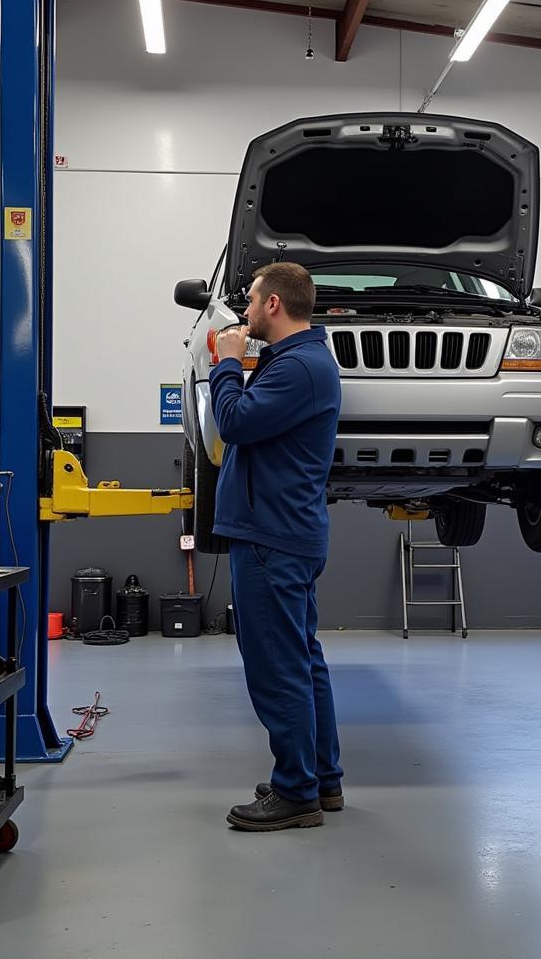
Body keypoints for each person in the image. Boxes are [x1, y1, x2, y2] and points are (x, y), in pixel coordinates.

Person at [210, 261, 344, 831]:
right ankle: (321, 779)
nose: (243, 313)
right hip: (284, 532)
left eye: (251, 302)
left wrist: (225, 364)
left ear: (272, 305)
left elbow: (234, 422)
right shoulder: (296, 363)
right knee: (302, 659)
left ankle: (296, 793)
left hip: (272, 537)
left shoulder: (302, 368)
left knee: (276, 666)